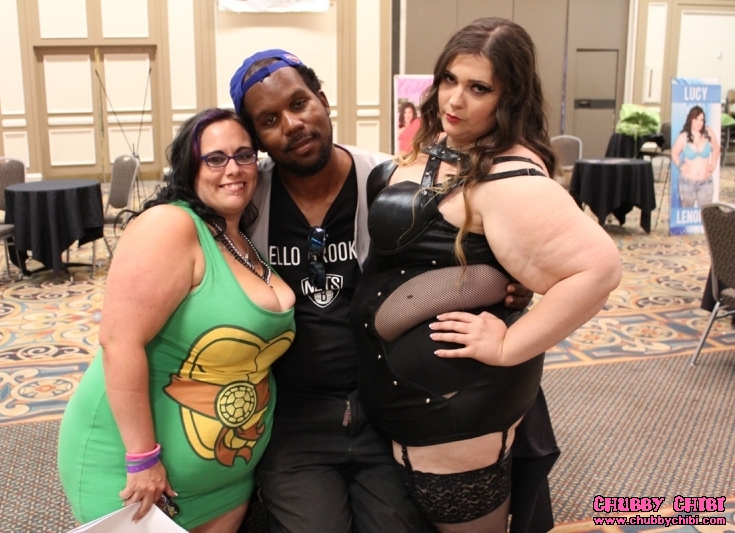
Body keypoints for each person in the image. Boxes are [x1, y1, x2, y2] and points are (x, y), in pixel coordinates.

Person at [229, 49, 555, 533]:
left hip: (386, 402)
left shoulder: (389, 179)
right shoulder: (247, 200)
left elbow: (467, 241)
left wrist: (511, 280)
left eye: (299, 104)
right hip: (297, 412)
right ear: (257, 138)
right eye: (270, 120)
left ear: (322, 100)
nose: (293, 124)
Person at [350, 18, 622, 533]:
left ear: (508, 98)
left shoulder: (509, 177)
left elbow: (600, 268)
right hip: (411, 404)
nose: (455, 100)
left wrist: (508, 344)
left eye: (479, 89)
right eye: (449, 80)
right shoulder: (449, 145)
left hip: (456, 416)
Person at [57, 109, 296, 532]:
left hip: (226, 477)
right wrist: (142, 459)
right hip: (140, 478)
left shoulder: (241, 238)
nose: (233, 169)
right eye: (215, 158)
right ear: (190, 168)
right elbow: (119, 342)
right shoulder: (171, 225)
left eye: (244, 155)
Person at [671, 105, 720, 208]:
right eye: (696, 119)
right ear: (691, 119)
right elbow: (674, 153)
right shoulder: (683, 137)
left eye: (701, 120)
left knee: (706, 213)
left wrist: (713, 164)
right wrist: (680, 165)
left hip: (706, 183)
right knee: (687, 213)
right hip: (687, 183)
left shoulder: (708, 132)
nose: (699, 123)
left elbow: (716, 148)